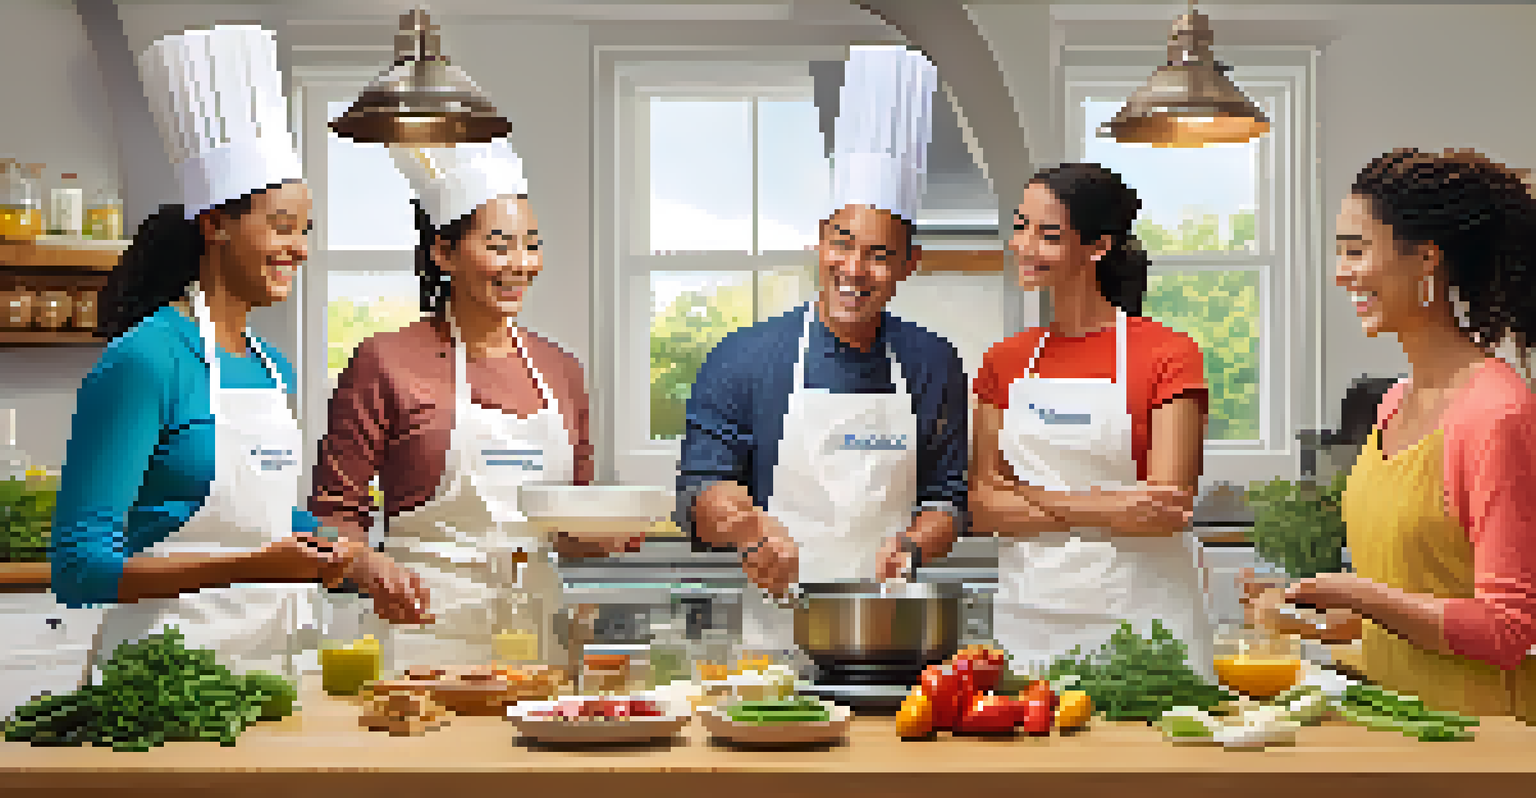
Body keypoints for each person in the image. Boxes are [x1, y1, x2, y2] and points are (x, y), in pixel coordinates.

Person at [52, 25, 423, 681]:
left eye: (306, 230)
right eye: (281, 227)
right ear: (215, 224)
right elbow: (80, 569)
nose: (300, 249)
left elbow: (266, 515)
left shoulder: (268, 366)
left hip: (265, 676)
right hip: (159, 685)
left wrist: (360, 560)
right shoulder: (146, 360)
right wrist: (251, 568)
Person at [677, 45, 969, 654]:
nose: (854, 270)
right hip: (774, 643)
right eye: (842, 244)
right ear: (818, 241)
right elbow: (702, 493)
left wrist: (914, 545)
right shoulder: (743, 359)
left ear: (909, 265)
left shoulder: (932, 363)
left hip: (890, 633)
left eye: (879, 254)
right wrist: (750, 528)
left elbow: (947, 498)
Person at [310, 140, 635, 673]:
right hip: (422, 642)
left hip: (536, 644)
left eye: (532, 244)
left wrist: (611, 532)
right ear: (443, 251)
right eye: (500, 244)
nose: (521, 264)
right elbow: (331, 516)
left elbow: (570, 529)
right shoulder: (385, 361)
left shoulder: (561, 371)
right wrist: (366, 564)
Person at [1249, 148, 1536, 720]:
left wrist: (1357, 593)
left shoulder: (1497, 414)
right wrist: (1316, 620)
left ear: (1425, 259)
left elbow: (1505, 630)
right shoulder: (1393, 402)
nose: (1341, 273)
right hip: (1386, 724)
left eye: (1357, 251)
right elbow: (1414, 593)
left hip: (1473, 740)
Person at [970, 163, 1212, 679]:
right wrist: (1117, 505)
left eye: (1048, 234)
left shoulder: (1168, 355)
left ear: (1098, 246)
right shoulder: (1004, 362)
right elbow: (983, 506)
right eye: (1020, 227)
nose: (1024, 245)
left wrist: (1033, 495)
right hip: (1031, 622)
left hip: (1146, 628)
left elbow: (1166, 510)